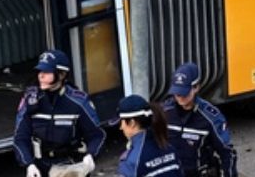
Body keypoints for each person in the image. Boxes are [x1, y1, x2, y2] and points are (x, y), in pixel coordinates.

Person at [14, 49, 105, 177]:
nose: (41, 76)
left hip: (71, 166)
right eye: (40, 71)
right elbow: (20, 139)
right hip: (41, 167)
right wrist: (29, 164)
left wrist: (91, 155)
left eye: (47, 72)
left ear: (62, 74)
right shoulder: (31, 101)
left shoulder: (78, 102)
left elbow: (97, 135)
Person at [163, 63, 238, 177]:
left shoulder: (211, 118)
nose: (180, 96)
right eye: (176, 93)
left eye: (184, 92)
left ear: (196, 87)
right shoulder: (165, 112)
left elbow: (227, 152)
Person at [114, 94, 183, 177]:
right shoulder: (169, 147)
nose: (121, 127)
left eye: (121, 122)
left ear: (132, 123)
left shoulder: (131, 161)